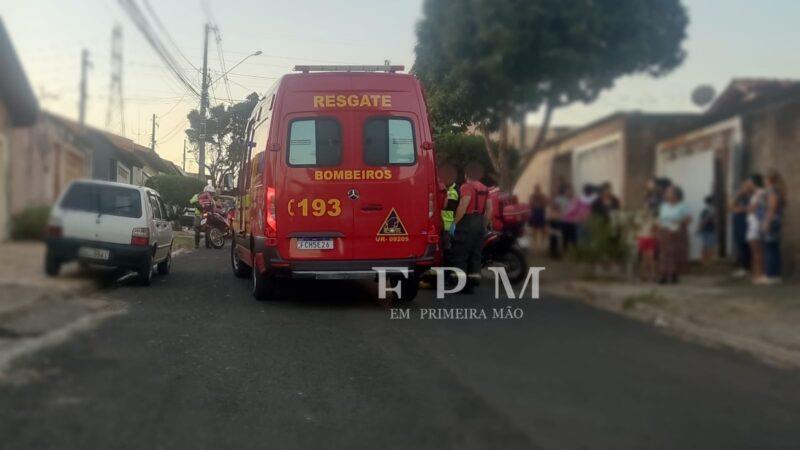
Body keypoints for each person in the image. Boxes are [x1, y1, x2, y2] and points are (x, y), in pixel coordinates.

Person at [451, 162, 493, 293]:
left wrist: (454, 223)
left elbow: (463, 206)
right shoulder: (485, 189)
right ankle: (472, 284)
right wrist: (484, 225)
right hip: (480, 223)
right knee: (475, 255)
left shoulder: (466, 187)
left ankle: (460, 285)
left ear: (466, 175)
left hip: (467, 224)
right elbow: (489, 210)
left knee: (461, 255)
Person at [656, 185, 691, 284]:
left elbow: (689, 219)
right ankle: (663, 274)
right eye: (666, 192)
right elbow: (661, 218)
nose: (666, 194)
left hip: (677, 232)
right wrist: (658, 227)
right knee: (664, 253)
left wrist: (677, 222)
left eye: (669, 192)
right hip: (664, 231)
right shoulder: (664, 206)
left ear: (676, 195)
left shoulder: (683, 206)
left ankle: (673, 274)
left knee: (675, 254)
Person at [761, 169, 787, 284]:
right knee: (774, 248)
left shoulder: (772, 192)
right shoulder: (778, 191)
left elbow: (771, 210)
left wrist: (766, 223)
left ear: (769, 180)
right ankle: (775, 275)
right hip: (776, 222)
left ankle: (770, 275)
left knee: (769, 248)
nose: (764, 181)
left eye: (765, 179)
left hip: (772, 222)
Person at [729, 179, 754, 277]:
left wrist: (740, 210)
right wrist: (738, 194)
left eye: (746, 186)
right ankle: (744, 267)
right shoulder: (741, 197)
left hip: (747, 223)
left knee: (748, 245)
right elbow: (730, 206)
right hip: (739, 223)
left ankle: (748, 268)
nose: (744, 188)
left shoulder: (752, 197)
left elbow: (751, 208)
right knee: (741, 245)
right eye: (743, 187)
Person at [746, 174, 767, 282]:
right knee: (754, 250)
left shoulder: (760, 193)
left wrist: (750, 208)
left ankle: (759, 274)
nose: (747, 184)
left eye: (749, 181)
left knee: (757, 250)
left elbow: (752, 209)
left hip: (756, 223)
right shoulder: (756, 194)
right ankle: (756, 273)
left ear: (753, 182)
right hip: (753, 223)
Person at [438, 163, 459, 263]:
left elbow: (445, 206)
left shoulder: (452, 192)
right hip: (443, 225)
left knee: (447, 250)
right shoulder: (448, 190)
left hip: (448, 225)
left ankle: (448, 272)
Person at [698, 195, 717, 265]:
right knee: (710, 246)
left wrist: (699, 229)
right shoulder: (712, 211)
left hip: (705, 230)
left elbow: (702, 221)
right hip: (711, 230)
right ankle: (708, 262)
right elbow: (713, 221)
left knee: (706, 246)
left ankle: (704, 261)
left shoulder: (704, 211)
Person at [528, 184, 548, 248]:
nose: (537, 190)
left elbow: (545, 204)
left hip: (541, 213)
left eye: (538, 188)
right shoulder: (532, 196)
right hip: (534, 214)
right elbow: (531, 204)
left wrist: (539, 203)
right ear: (534, 189)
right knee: (534, 229)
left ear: (539, 189)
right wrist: (538, 204)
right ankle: (535, 243)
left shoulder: (542, 196)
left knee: (543, 229)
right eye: (536, 188)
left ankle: (543, 243)